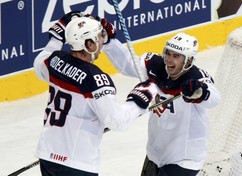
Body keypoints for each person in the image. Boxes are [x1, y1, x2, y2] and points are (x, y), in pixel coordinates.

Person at [33, 11, 157, 176]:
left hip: (48, 155)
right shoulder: (96, 79)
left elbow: (39, 61)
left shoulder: (54, 61)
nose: (102, 41)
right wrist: (140, 97)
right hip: (77, 163)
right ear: (89, 45)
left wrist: (57, 36)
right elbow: (117, 121)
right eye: (99, 38)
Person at [102, 30, 221, 175]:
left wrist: (200, 92)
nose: (169, 59)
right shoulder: (155, 66)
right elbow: (127, 63)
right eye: (168, 53)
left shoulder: (197, 79)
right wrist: (108, 41)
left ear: (188, 61)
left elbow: (214, 99)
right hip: (155, 153)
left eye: (176, 56)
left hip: (184, 157)